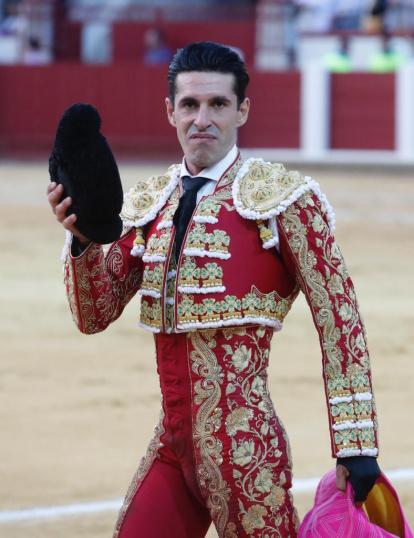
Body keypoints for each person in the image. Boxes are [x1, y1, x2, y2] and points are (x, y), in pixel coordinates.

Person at [47, 41, 381, 538]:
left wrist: (356, 444)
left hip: (247, 457)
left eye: (218, 104)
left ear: (241, 110)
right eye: (190, 105)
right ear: (171, 111)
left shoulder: (284, 200)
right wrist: (80, 241)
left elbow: (340, 319)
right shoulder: (148, 204)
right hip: (171, 449)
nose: (202, 119)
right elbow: (94, 314)